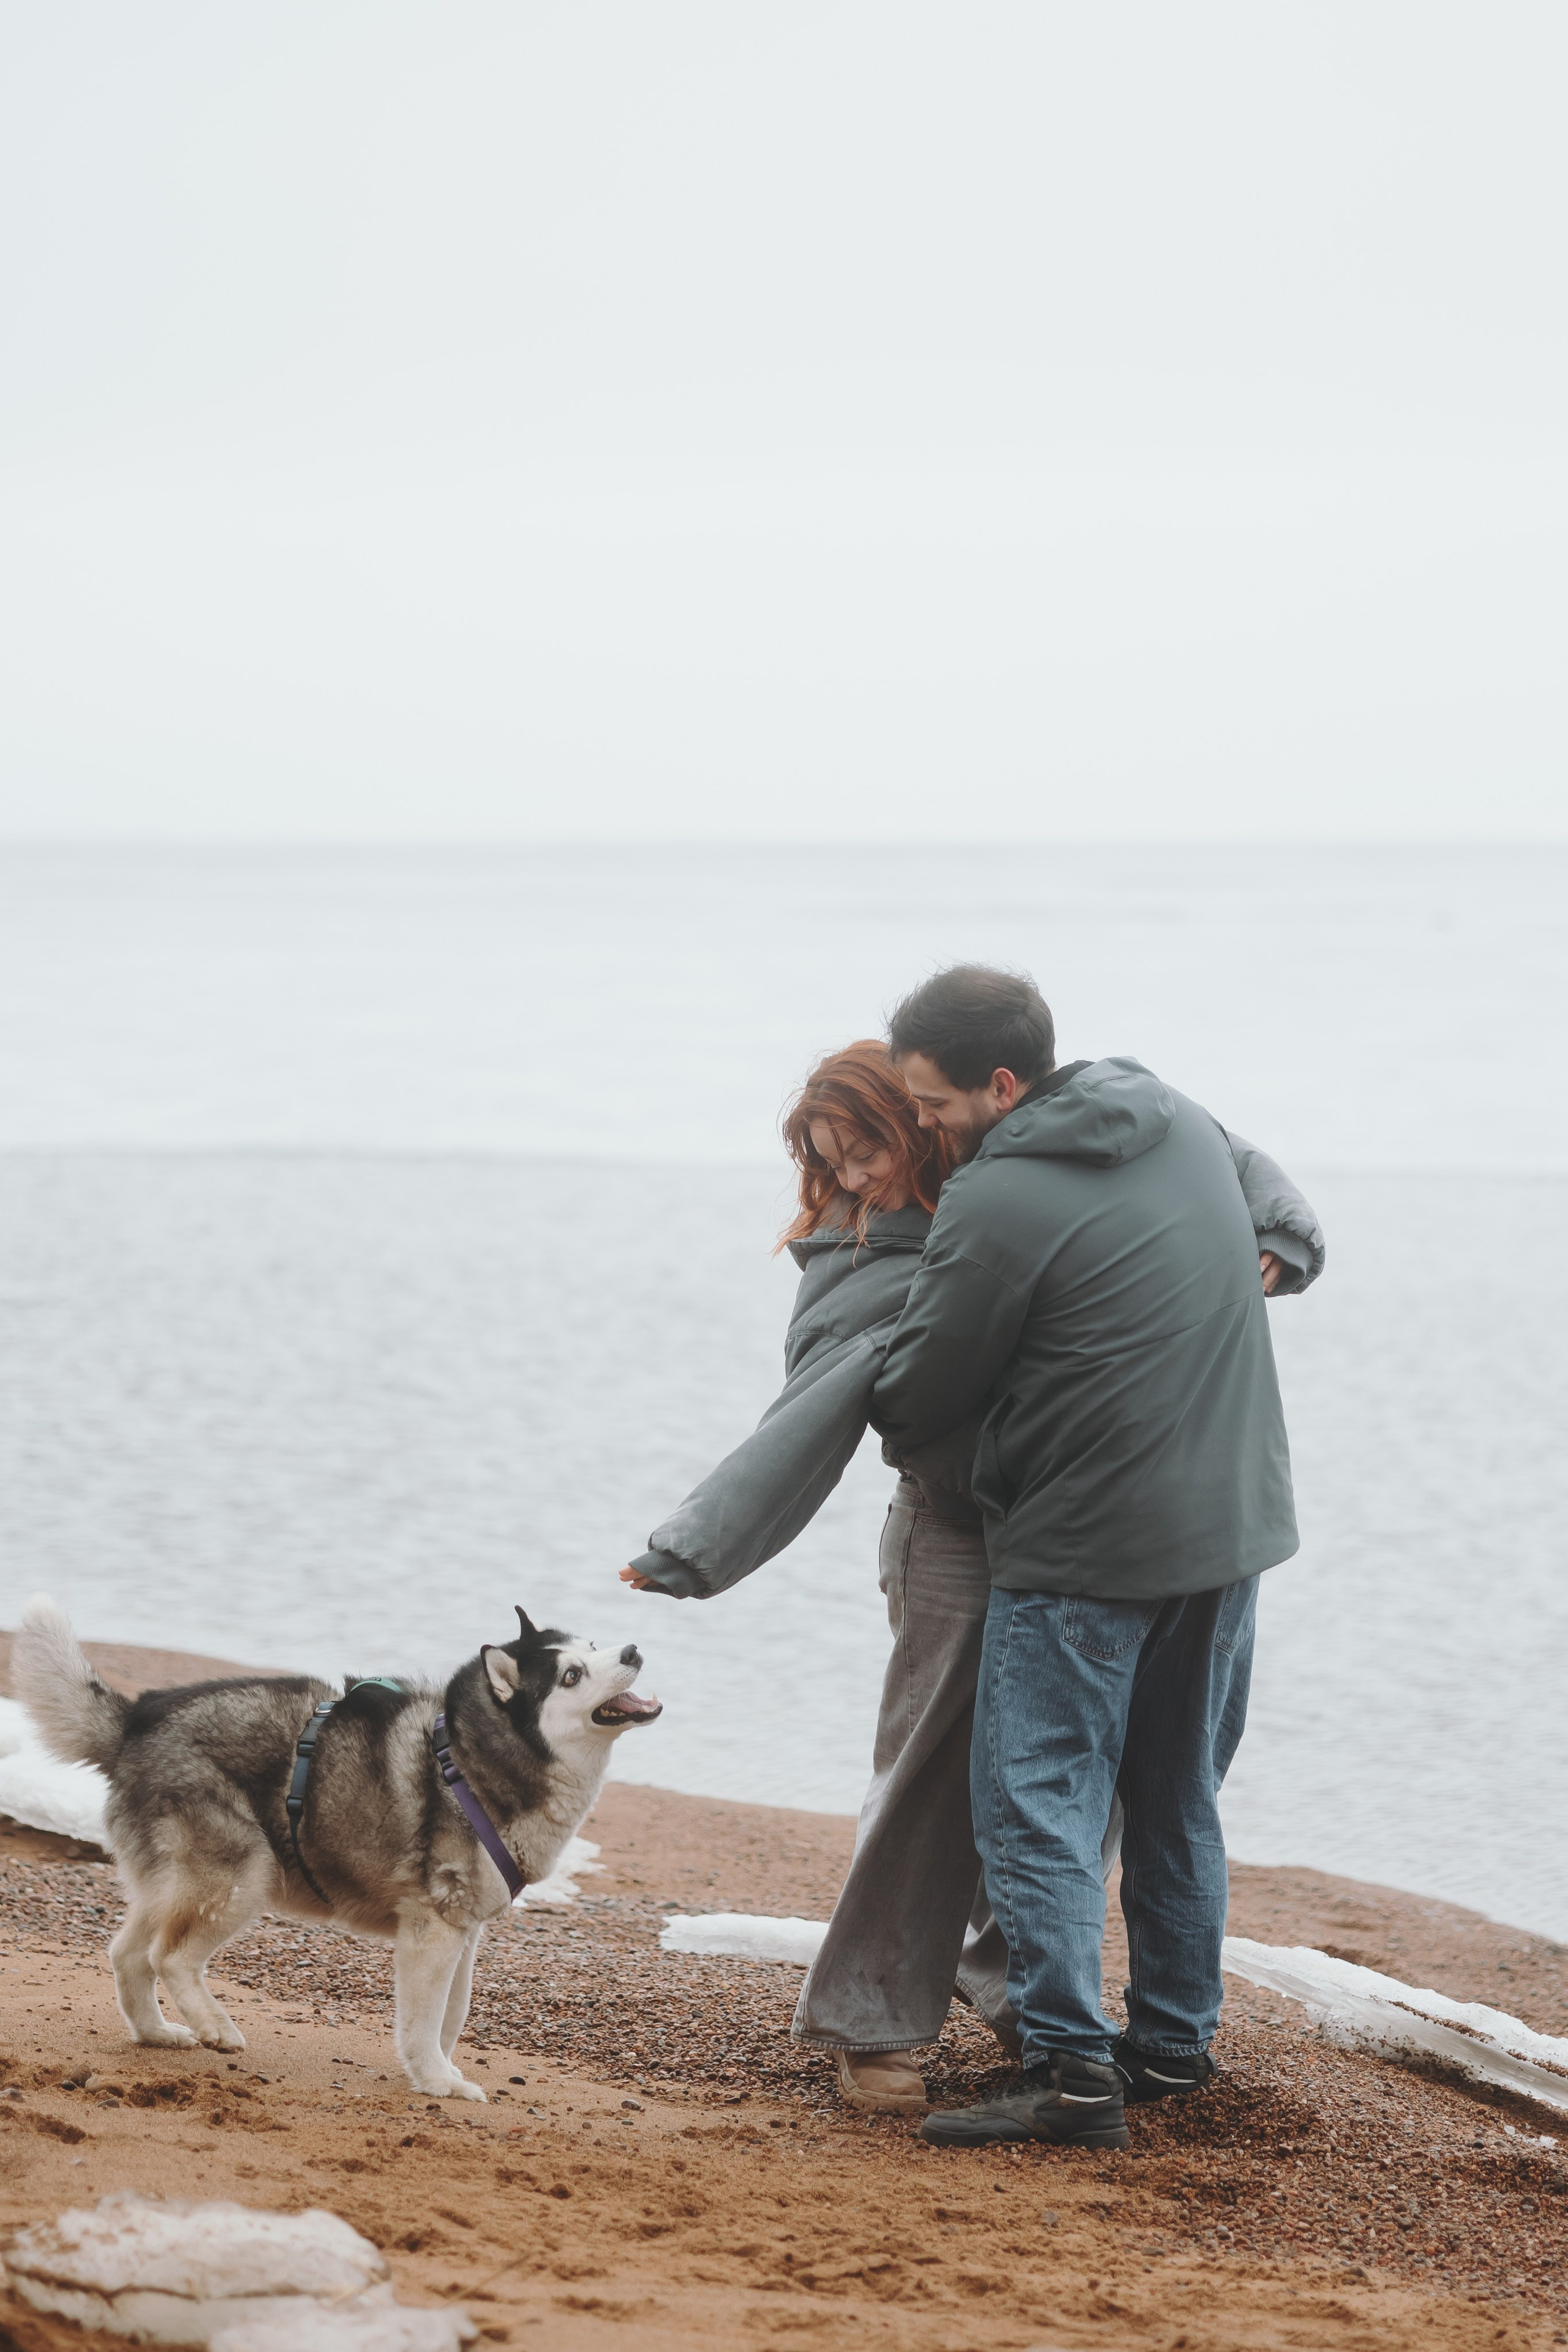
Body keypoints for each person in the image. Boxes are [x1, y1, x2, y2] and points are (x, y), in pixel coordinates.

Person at [622, 1029, 1322, 2120]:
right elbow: (812, 1416)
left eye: (863, 1150)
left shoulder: (1038, 1169)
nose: (847, 1179)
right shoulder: (862, 1255)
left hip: (1090, 1532)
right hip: (957, 1538)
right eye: (827, 1161)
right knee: (935, 1788)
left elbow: (1216, 1150)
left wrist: (1273, 1235)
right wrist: (698, 1545)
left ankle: (1023, 1998)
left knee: (1068, 1799)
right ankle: (873, 2023)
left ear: (929, 1117)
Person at [869, 966, 1313, 2152]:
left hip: (1079, 1551)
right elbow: (1268, 1188)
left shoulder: (993, 1199)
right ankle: (1171, 2048)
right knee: (1175, 1798)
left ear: (1001, 1085)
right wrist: (1287, 1241)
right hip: (1229, 1534)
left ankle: (1070, 2077)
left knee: (1035, 1806)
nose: (920, 1123)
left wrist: (918, 1434)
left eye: (931, 1104)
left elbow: (920, 1386)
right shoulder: (1171, 1117)